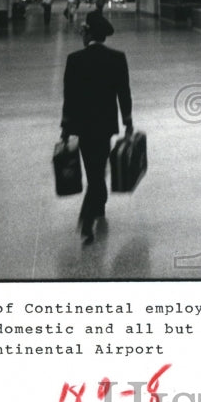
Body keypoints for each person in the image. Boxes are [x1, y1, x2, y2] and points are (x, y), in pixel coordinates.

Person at [60, 14, 132, 243]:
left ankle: (87, 219)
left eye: (83, 33)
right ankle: (98, 206)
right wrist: (128, 122)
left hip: (82, 125)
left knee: (93, 170)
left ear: (89, 34)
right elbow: (124, 93)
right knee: (98, 169)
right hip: (105, 124)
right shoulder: (117, 58)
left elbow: (69, 97)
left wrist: (65, 126)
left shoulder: (74, 59)